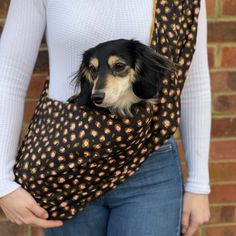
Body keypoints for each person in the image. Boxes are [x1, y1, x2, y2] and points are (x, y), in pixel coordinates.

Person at [0, 0, 211, 235]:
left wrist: (199, 184)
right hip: (68, 165)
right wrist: (2, 181)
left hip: (149, 165)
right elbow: (8, 73)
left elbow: (193, 83)